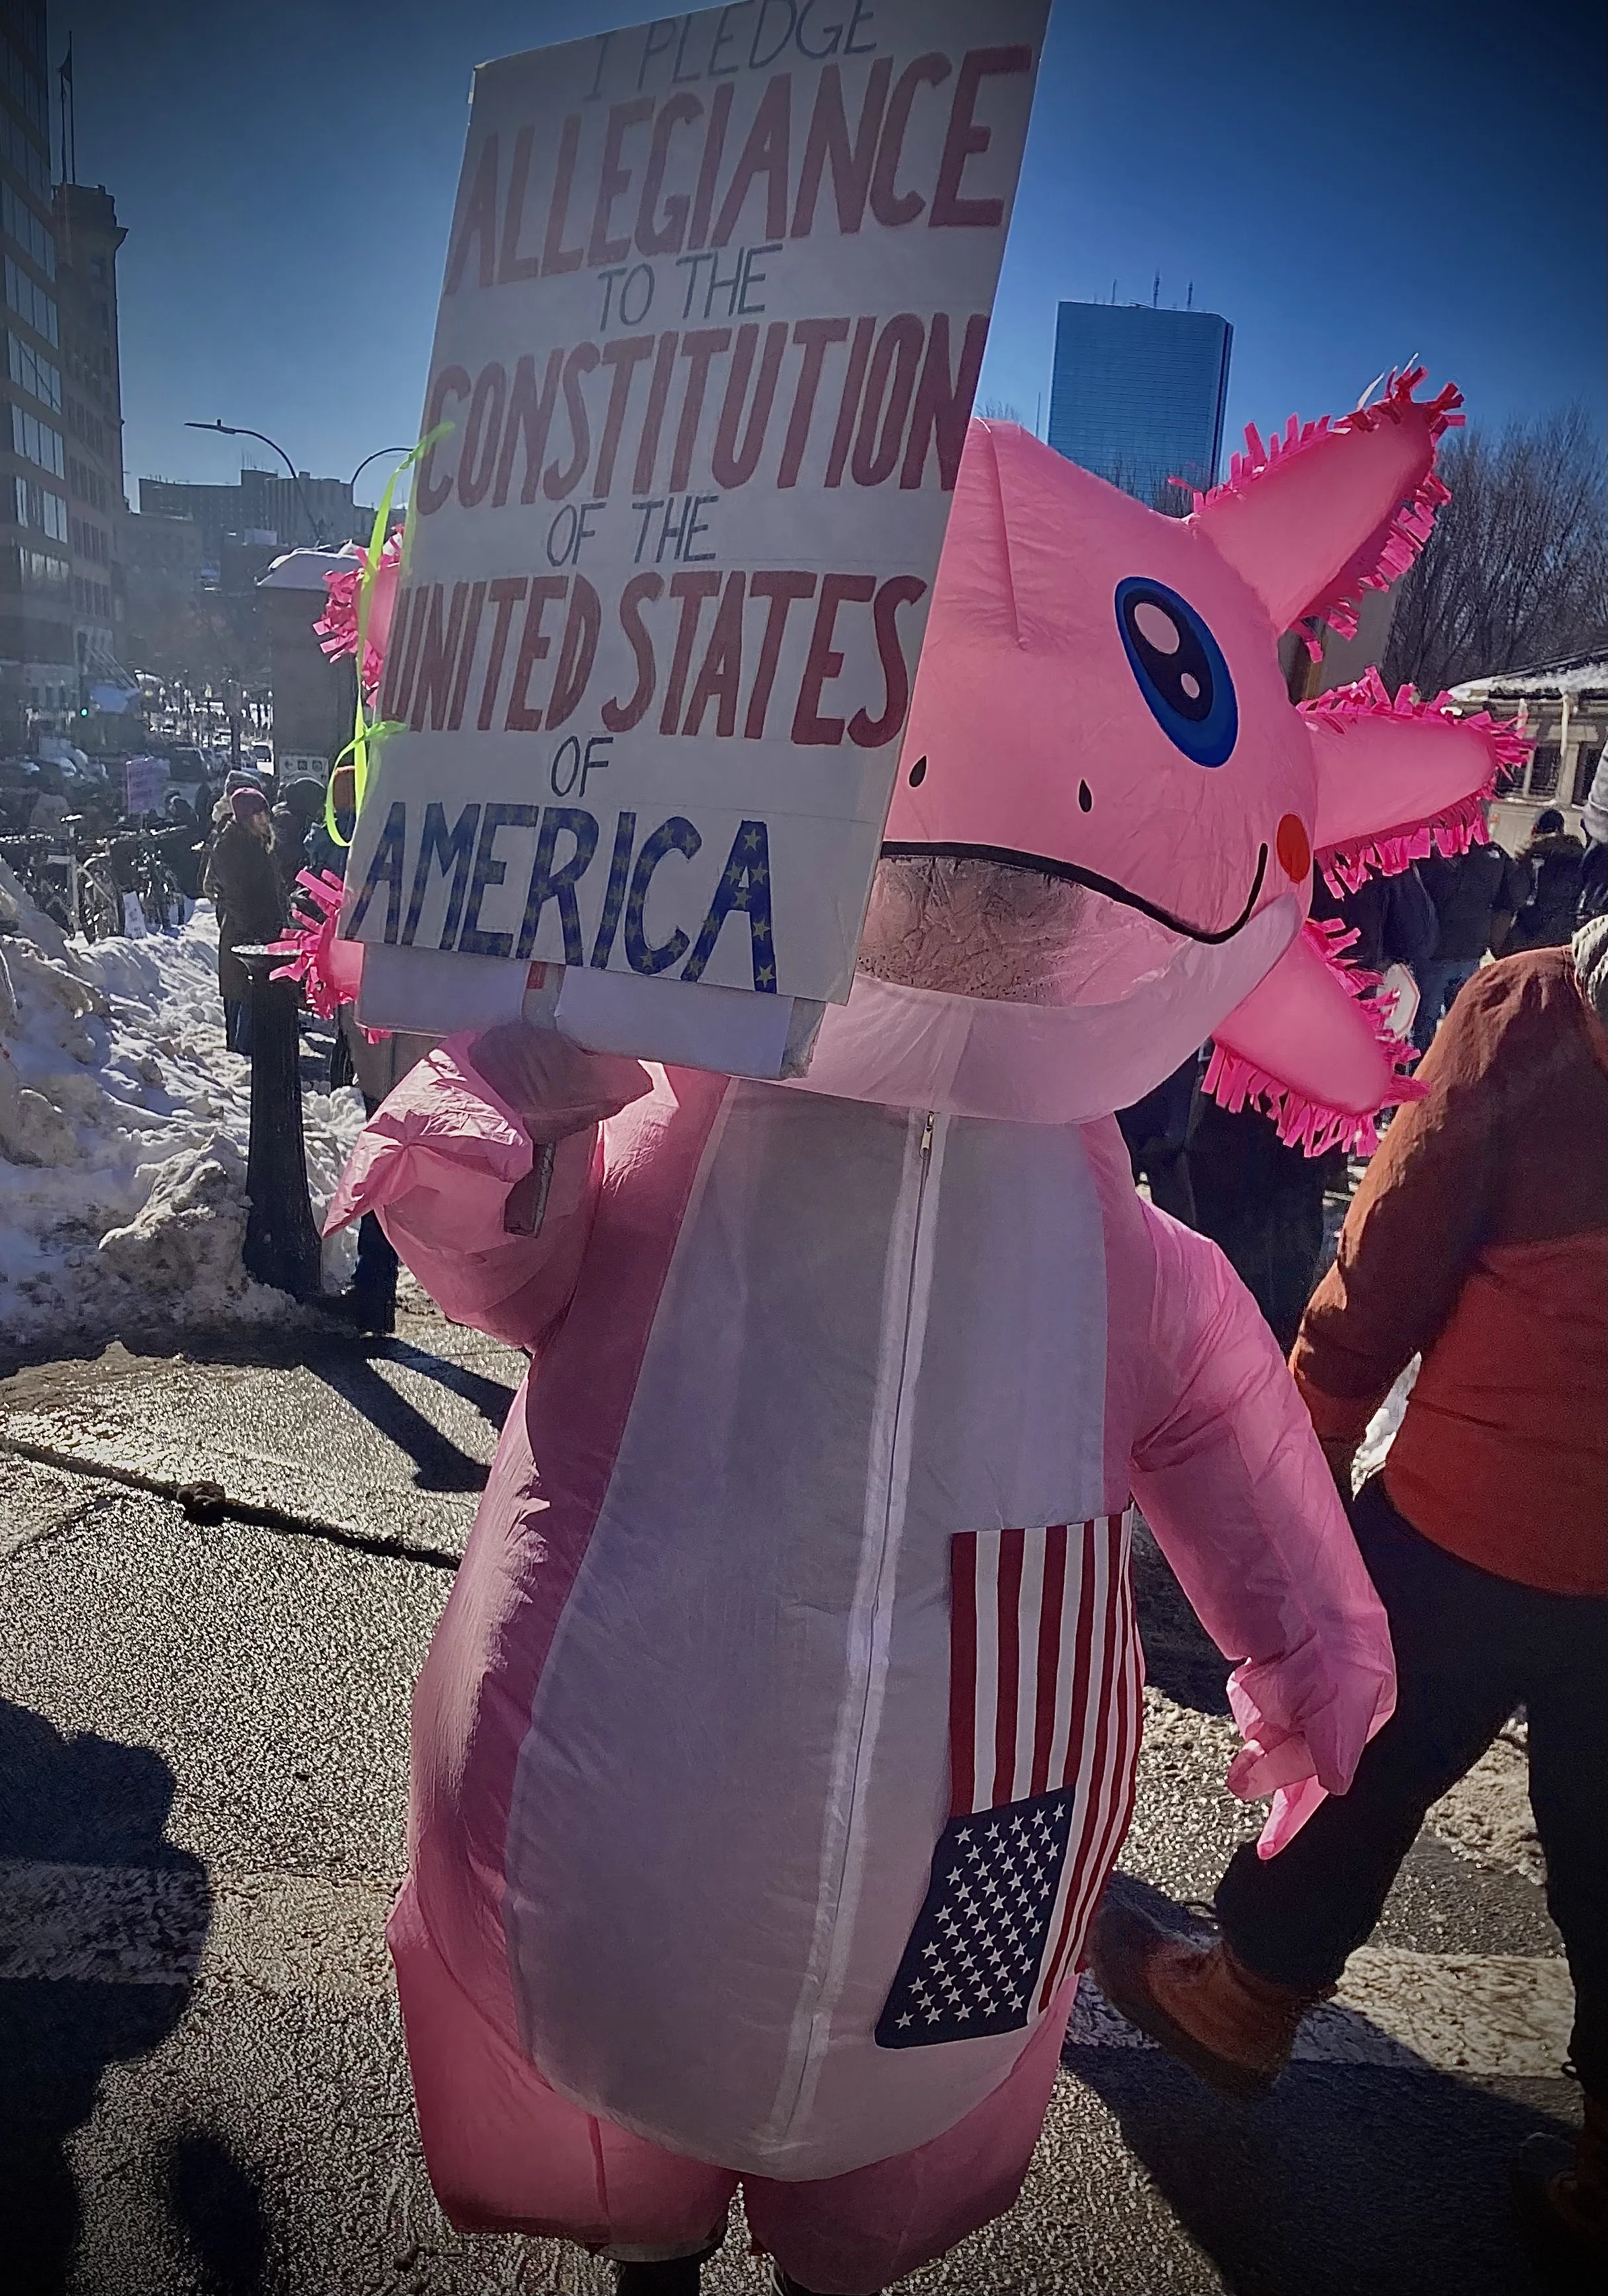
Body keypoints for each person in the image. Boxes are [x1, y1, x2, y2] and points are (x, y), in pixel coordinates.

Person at [317, 389, 1515, 2296]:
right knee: (631, 2125)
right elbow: (491, 1243)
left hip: (973, 1846)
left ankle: (785, 2245)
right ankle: (650, 2245)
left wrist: (1316, 1643)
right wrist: (530, 1080)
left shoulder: (1110, 1246)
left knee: (888, 2147)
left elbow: (1222, 1417)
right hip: (623, 1844)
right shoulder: (670, 1127)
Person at [1090, 916, 1608, 2274]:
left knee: (1365, 1753)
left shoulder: (1543, 1011)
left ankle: (1245, 1997)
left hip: (1484, 1510)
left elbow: (1399, 1233)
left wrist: (1316, 1415)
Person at [1414, 829, 1529, 1051]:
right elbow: (1515, 892)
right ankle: (1457, 1068)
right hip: (1471, 949)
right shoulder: (1493, 854)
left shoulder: (1434, 853)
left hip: (1436, 950)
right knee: (1463, 1019)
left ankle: (1422, 1072)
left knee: (1424, 1022)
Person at [202, 786, 283, 1055]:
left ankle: (244, 1046)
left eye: (265, 813)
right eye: (257, 815)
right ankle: (241, 1050)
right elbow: (236, 896)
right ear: (244, 816)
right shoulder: (231, 846)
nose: (264, 819)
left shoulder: (256, 842)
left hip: (259, 930)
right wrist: (254, 932)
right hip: (243, 933)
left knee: (247, 991)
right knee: (244, 992)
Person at [1507, 805, 1588, 951]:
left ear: (1535, 829)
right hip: (1563, 941)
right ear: (1561, 830)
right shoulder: (1578, 859)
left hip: (1528, 939)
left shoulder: (1528, 860)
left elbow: (1515, 899)